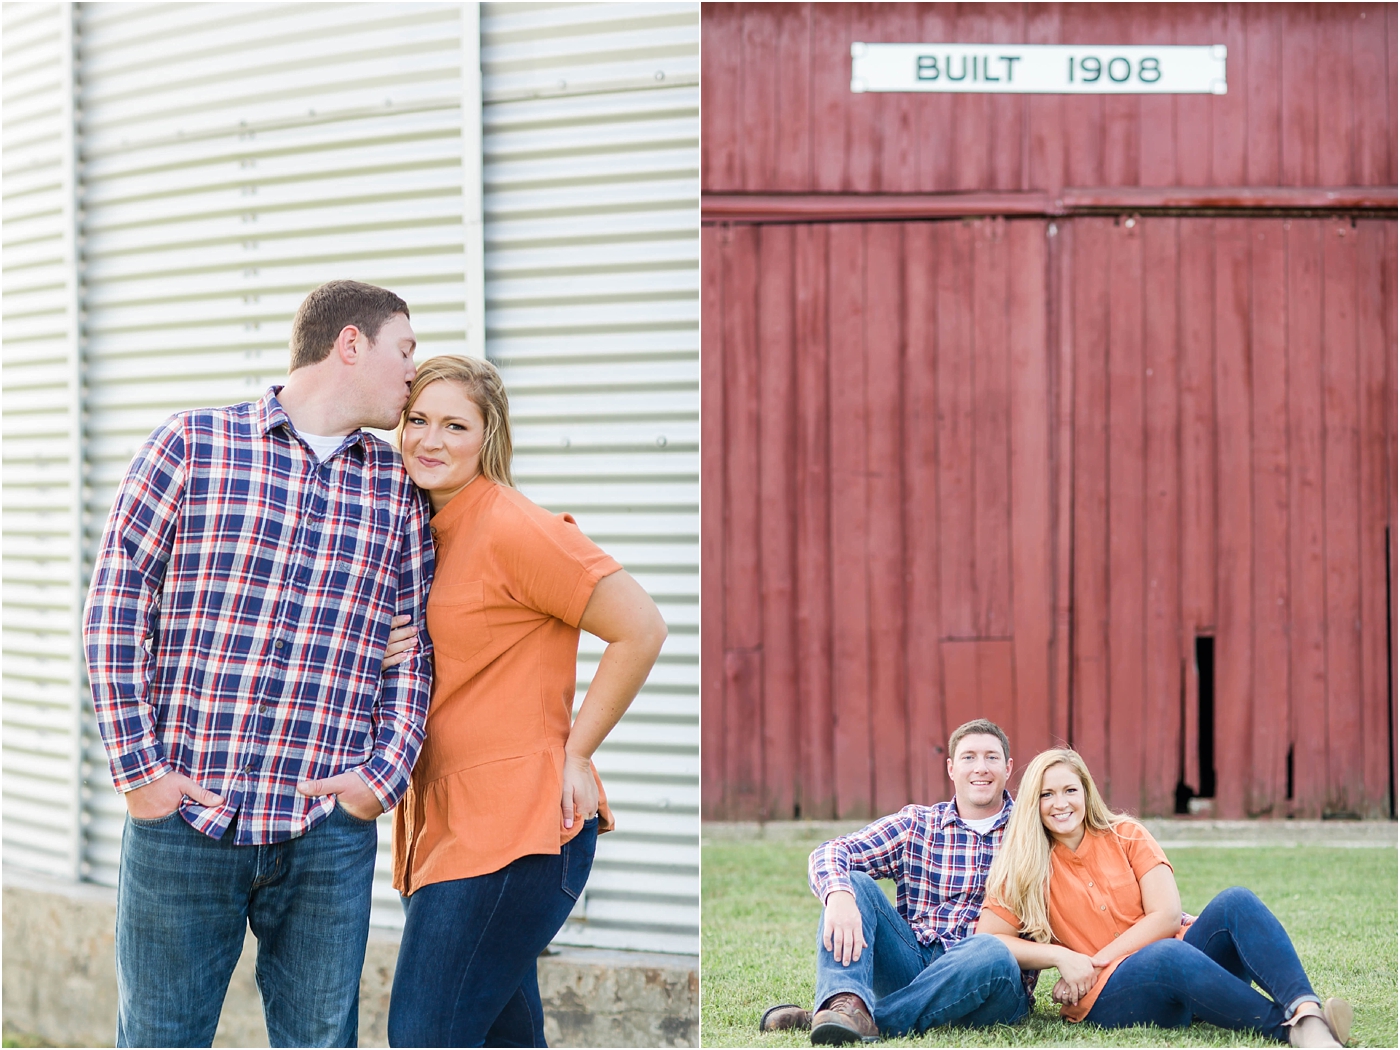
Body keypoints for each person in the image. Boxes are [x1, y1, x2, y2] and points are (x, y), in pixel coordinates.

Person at [83, 280, 434, 1048]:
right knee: (159, 1039)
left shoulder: (398, 488)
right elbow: (114, 610)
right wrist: (140, 774)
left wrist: (381, 781)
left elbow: (414, 652)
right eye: (404, 351)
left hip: (325, 831)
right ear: (351, 343)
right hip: (187, 818)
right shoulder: (191, 445)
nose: (415, 372)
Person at [379, 356, 667, 1048]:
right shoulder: (424, 531)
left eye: (454, 425)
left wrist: (578, 751)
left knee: (423, 1036)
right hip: (451, 828)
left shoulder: (514, 526)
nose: (430, 439)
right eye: (417, 420)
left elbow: (641, 627)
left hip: (518, 829)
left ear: (489, 436)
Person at [977, 748, 1352, 1048]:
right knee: (1167, 955)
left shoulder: (1126, 834)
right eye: (1047, 794)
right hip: (1105, 997)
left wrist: (1094, 960)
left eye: (1070, 790)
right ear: (1033, 803)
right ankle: (1295, 1031)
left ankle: (1305, 1009)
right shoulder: (1025, 866)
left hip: (1177, 962)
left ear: (1086, 792)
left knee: (1235, 901)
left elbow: (1167, 916)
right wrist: (1062, 958)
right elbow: (989, 939)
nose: (1061, 803)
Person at [760, 719, 1035, 1045]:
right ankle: (844, 1004)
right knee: (854, 883)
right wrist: (838, 894)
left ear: (1008, 766)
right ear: (951, 768)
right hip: (913, 964)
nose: (981, 767)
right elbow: (833, 850)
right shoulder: (918, 824)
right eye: (968, 757)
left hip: (991, 981)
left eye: (991, 757)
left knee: (991, 948)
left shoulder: (1031, 830)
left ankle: (855, 1018)